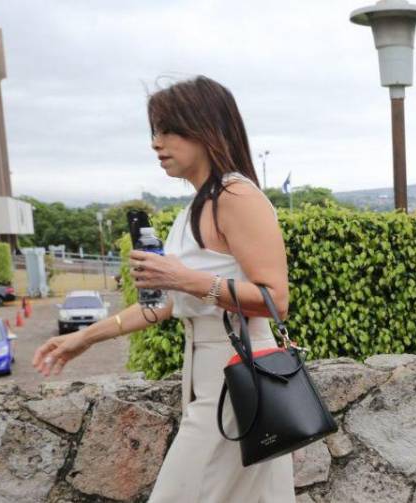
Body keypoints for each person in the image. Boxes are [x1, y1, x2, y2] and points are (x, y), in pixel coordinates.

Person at [32, 76, 294, 502]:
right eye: (155, 131)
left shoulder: (236, 195)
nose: (157, 143)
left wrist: (183, 278)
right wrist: (85, 338)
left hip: (239, 378)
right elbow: (166, 305)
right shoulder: (195, 207)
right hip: (212, 379)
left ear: (207, 129)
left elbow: (274, 299)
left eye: (169, 129)